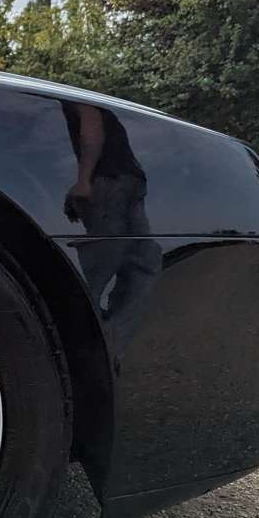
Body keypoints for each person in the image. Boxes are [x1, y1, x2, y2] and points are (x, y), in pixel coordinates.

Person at [61, 101, 162, 361]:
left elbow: (91, 131)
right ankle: (79, 345)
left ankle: (105, 345)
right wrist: (84, 181)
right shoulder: (77, 100)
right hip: (116, 183)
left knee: (142, 263)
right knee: (109, 264)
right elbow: (91, 130)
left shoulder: (79, 102)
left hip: (122, 183)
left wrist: (83, 181)